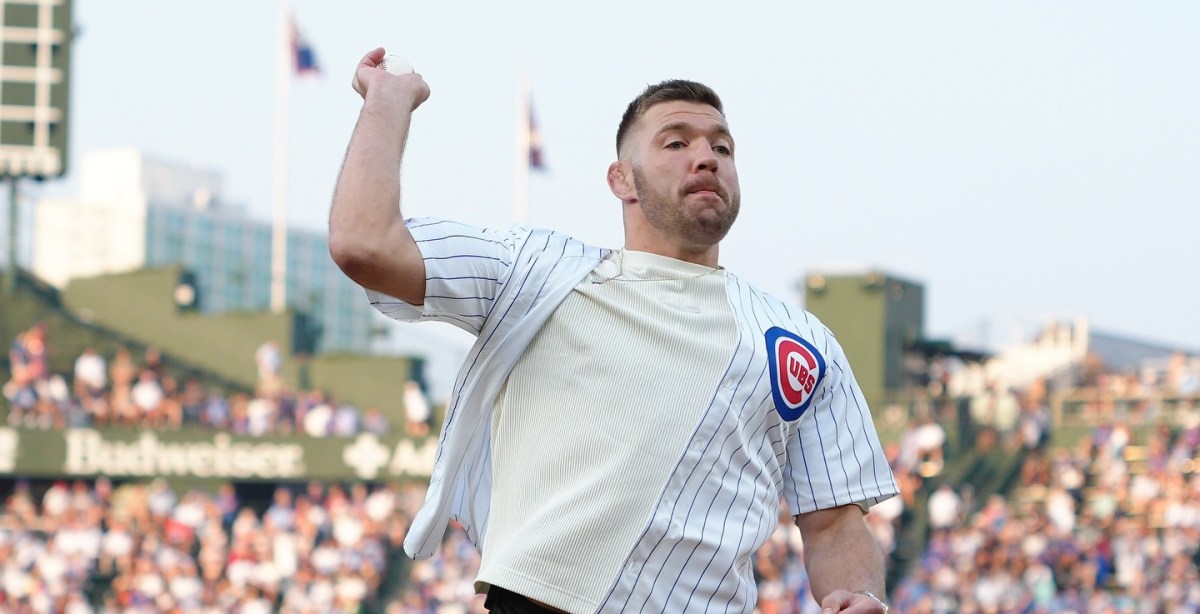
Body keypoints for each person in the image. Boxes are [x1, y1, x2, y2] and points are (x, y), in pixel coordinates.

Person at [329, 47, 899, 614]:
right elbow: (365, 243)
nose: (706, 157)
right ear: (621, 178)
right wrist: (387, 102)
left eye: (721, 147)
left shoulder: (799, 340)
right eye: (676, 142)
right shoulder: (540, 271)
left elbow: (833, 523)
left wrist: (861, 593)